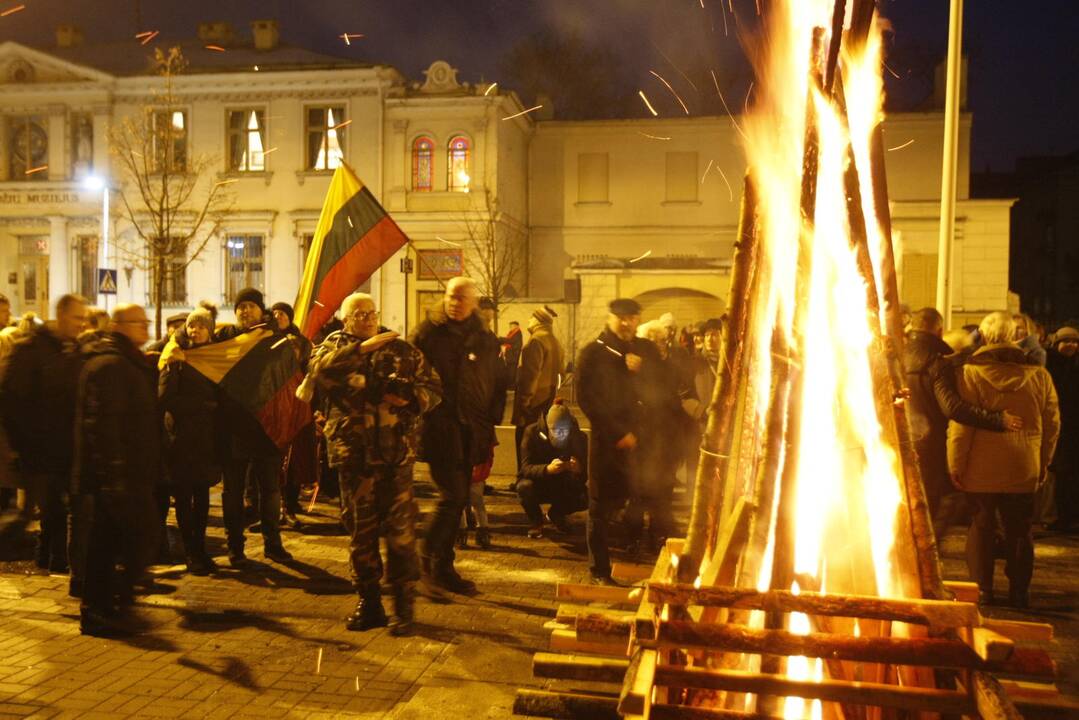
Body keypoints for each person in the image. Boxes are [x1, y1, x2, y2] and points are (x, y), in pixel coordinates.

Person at [306, 292, 441, 635]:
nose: (367, 319)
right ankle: (369, 602)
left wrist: (411, 398)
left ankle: (405, 606)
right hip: (355, 459)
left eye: (371, 313)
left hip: (396, 458)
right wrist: (361, 350)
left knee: (401, 535)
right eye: (359, 314)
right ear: (345, 320)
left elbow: (434, 386)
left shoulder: (399, 349)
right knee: (361, 534)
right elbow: (318, 372)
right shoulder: (332, 348)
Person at [948, 312, 1060, 608]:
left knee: (981, 527)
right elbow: (1052, 424)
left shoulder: (970, 374)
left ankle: (982, 589)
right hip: (1023, 464)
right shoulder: (1039, 376)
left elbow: (962, 425)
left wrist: (955, 464)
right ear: (1015, 337)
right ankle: (1019, 592)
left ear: (983, 337)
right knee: (1020, 530)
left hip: (980, 466)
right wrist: (1043, 461)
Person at [410, 277, 506, 596]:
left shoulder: (485, 338)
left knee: (462, 498)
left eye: (462, 297)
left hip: (472, 428)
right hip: (441, 426)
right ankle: (425, 561)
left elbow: (498, 383)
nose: (455, 302)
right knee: (452, 496)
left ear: (474, 302)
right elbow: (412, 376)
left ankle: (443, 566)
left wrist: (490, 421)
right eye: (452, 296)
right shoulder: (428, 334)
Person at [72, 304, 160, 636]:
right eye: (140, 323)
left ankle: (108, 606)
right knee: (119, 542)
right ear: (121, 325)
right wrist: (115, 476)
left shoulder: (127, 362)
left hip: (127, 475)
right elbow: (103, 426)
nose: (146, 328)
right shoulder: (111, 365)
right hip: (116, 477)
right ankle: (103, 608)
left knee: (111, 543)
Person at [903, 308, 1021, 540]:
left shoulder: (898, 355)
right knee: (940, 502)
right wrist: (997, 419)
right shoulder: (939, 361)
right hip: (931, 445)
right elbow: (953, 407)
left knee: (909, 501)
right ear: (939, 331)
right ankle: (927, 551)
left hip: (900, 441)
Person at [576, 298, 662, 585]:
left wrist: (643, 371)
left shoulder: (645, 350)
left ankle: (632, 552)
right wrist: (617, 433)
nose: (626, 323)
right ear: (609, 318)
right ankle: (598, 569)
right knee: (600, 508)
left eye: (632, 318)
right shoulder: (592, 353)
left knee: (639, 498)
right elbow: (587, 400)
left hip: (643, 442)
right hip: (607, 444)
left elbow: (663, 387)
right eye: (620, 317)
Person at [0, 294, 88, 573]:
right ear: (61, 316)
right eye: (77, 318)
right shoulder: (31, 350)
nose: (82, 324)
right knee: (38, 513)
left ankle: (53, 560)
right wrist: (21, 447)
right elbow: (11, 401)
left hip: (65, 449)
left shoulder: (71, 349)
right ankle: (55, 561)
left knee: (58, 512)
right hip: (39, 451)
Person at [214, 288, 292, 565]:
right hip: (233, 429)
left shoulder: (275, 339)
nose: (245, 311)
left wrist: (284, 329)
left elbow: (299, 356)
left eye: (250, 306)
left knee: (270, 491)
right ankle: (235, 546)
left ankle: (273, 543)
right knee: (232, 492)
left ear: (262, 310)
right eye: (240, 307)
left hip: (266, 428)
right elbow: (196, 347)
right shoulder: (224, 340)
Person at [159, 307, 220, 575]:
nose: (195, 330)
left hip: (206, 437)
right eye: (191, 326)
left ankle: (201, 549)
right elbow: (165, 398)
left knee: (203, 496)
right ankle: (190, 553)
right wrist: (201, 406)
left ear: (210, 330)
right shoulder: (175, 357)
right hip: (181, 437)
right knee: (184, 498)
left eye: (201, 326)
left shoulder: (213, 357)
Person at [626, 319, 688, 557]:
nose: (659, 345)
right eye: (653, 340)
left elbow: (676, 404)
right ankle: (632, 537)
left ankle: (658, 535)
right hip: (641, 442)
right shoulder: (633, 372)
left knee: (663, 492)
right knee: (638, 492)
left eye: (661, 340)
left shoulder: (671, 369)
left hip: (665, 442)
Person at [270, 300, 314, 526]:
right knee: (274, 468)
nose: (278, 316)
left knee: (295, 465)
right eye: (274, 312)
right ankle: (273, 511)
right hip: (276, 420)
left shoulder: (303, 361)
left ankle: (289, 507)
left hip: (299, 419)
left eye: (283, 313)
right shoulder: (268, 348)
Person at [517, 400, 588, 538]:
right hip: (540, 483)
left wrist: (579, 469)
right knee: (524, 487)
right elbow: (525, 469)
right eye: (555, 430)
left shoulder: (579, 437)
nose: (560, 435)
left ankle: (557, 514)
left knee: (587, 497)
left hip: (564, 484)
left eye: (564, 431)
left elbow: (585, 475)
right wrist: (547, 469)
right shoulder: (532, 432)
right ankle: (536, 521)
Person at [512, 306, 565, 472]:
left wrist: (524, 403)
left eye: (531, 317)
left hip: (532, 403)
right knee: (541, 442)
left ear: (538, 320)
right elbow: (560, 376)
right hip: (547, 401)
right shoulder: (556, 342)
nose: (528, 320)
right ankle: (540, 476)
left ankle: (524, 477)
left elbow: (529, 377)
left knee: (524, 442)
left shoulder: (536, 341)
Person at [1046, 325, 1079, 532]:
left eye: (1075, 342)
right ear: (1057, 343)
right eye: (1066, 341)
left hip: (1075, 429)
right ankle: (1063, 517)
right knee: (1062, 475)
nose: (1071, 345)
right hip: (1061, 427)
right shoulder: (1050, 367)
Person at [500, 320, 523, 386]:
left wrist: (501, 339)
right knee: (509, 370)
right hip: (511, 355)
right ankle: (509, 383)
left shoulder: (517, 333)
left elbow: (510, 341)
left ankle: (511, 385)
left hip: (513, 355)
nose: (510, 327)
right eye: (510, 326)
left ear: (517, 326)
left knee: (512, 371)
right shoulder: (512, 333)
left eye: (512, 326)